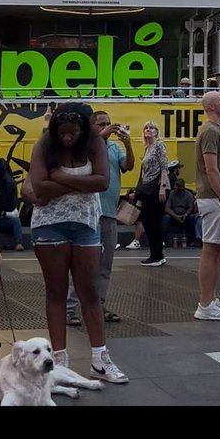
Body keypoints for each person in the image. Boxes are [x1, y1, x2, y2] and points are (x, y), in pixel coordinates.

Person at [27, 101, 128, 383]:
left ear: (84, 130)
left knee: (90, 293)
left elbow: (103, 182)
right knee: (56, 293)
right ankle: (59, 361)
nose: (67, 137)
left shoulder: (95, 144)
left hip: (86, 224)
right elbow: (39, 187)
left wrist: (58, 177)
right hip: (49, 224)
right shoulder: (43, 145)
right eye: (62, 132)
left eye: (73, 132)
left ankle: (100, 360)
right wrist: (83, 183)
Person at [66, 111, 134, 325]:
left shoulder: (114, 147)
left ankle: (98, 306)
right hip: (89, 213)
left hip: (109, 213)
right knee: (82, 265)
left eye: (109, 123)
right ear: (92, 127)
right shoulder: (86, 146)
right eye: (102, 124)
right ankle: (70, 309)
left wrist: (128, 145)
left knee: (105, 265)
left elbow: (128, 166)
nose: (107, 127)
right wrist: (102, 135)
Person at [194, 91, 220, 320]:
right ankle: (205, 303)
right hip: (213, 197)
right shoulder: (209, 131)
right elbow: (211, 169)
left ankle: (211, 297)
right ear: (210, 106)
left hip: (218, 196)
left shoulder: (215, 130)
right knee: (211, 249)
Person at [136, 121, 169, 266]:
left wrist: (162, 187)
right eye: (146, 127)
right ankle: (154, 254)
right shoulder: (147, 148)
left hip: (157, 187)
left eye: (152, 128)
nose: (148, 129)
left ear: (156, 132)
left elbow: (164, 167)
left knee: (155, 222)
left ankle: (158, 255)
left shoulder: (159, 145)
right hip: (147, 189)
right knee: (147, 221)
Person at [163, 178, 195, 247]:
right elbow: (167, 208)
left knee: (192, 218)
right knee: (166, 218)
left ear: (182, 187)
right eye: (175, 186)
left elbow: (191, 207)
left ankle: (193, 240)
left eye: (178, 186)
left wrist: (186, 214)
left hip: (184, 216)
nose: (176, 188)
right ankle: (164, 240)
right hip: (173, 216)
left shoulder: (188, 195)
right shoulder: (171, 194)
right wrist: (175, 216)